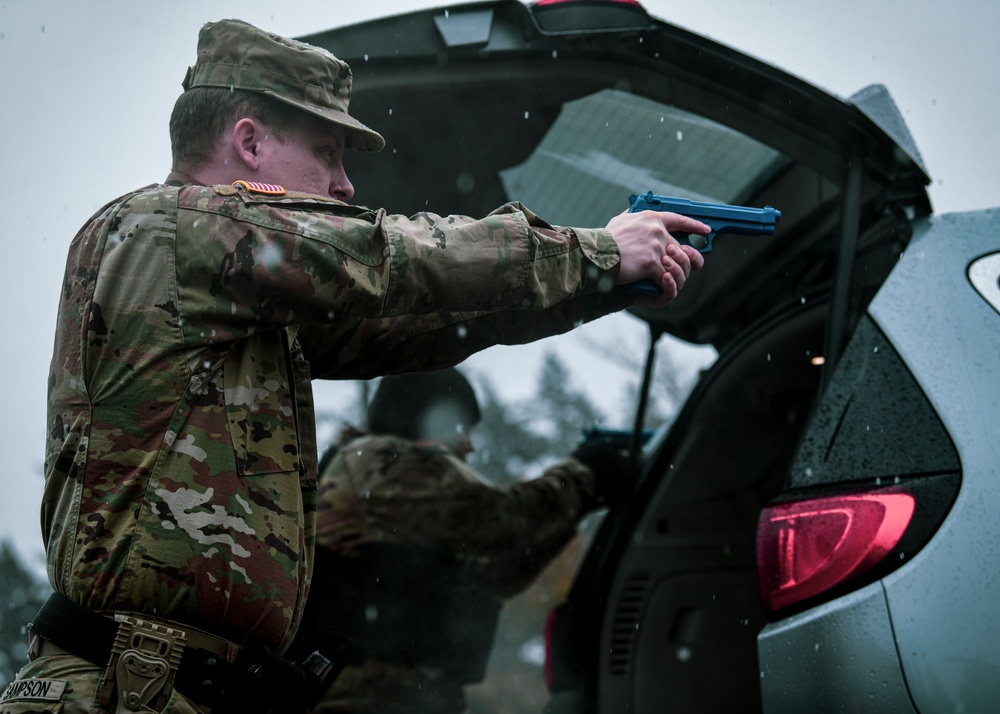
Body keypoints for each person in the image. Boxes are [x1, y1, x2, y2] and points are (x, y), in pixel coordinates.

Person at [6, 16, 707, 714]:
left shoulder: (229, 291)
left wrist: (598, 287)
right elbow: (386, 261)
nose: (343, 185)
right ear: (248, 141)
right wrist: (595, 250)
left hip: (163, 688)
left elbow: (412, 323)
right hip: (126, 691)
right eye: (328, 151)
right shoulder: (176, 229)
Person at [289, 368, 630, 713]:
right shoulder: (376, 457)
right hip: (363, 700)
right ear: (419, 421)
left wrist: (578, 498)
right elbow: (498, 522)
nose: (469, 445)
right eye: (458, 427)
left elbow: (497, 570)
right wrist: (584, 476)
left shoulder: (396, 499)